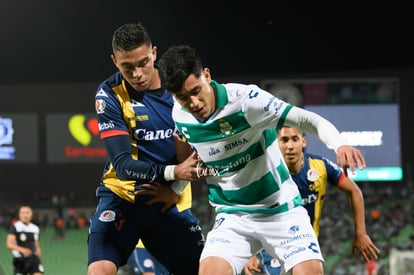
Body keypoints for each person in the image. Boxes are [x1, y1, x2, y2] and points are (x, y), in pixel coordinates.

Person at [158, 44, 367, 275]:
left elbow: (306, 120)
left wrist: (339, 144)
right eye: (183, 97)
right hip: (232, 214)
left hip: (280, 210)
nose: (194, 103)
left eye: (196, 90)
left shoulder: (247, 101)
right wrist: (176, 187)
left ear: (206, 75)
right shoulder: (180, 116)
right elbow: (194, 162)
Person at [87, 22, 205, 275]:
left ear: (154, 53)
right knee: (99, 270)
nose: (137, 73)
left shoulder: (179, 85)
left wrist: (174, 190)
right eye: (127, 67)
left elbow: (198, 152)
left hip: (169, 204)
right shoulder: (109, 94)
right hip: (122, 200)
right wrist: (174, 173)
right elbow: (122, 165)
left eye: (143, 63)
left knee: (209, 270)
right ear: (115, 62)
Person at [243, 126, 380, 275]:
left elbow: (354, 191)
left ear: (303, 141)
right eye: (284, 140)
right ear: (276, 143)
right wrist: (249, 253)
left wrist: (360, 233)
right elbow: (245, 209)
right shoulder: (264, 172)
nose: (290, 146)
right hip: (273, 247)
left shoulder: (320, 166)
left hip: (305, 243)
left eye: (294, 139)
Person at [6, 205, 44, 275]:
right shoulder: (15, 226)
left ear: (31, 214)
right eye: (23, 213)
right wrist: (22, 250)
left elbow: (37, 245)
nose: (25, 215)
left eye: (27, 213)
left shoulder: (35, 228)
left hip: (33, 258)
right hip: (20, 260)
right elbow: (9, 244)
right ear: (19, 214)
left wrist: (38, 259)